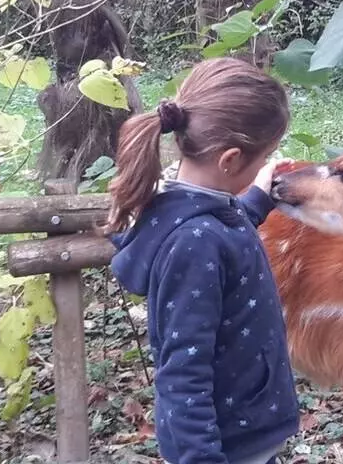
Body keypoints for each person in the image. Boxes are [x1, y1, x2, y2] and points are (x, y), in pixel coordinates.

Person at [104, 57, 300, 464]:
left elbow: (228, 231)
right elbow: (182, 375)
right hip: (228, 446)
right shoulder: (194, 244)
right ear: (229, 160)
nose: (265, 165)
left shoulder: (202, 213)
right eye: (264, 157)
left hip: (248, 428)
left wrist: (257, 197)